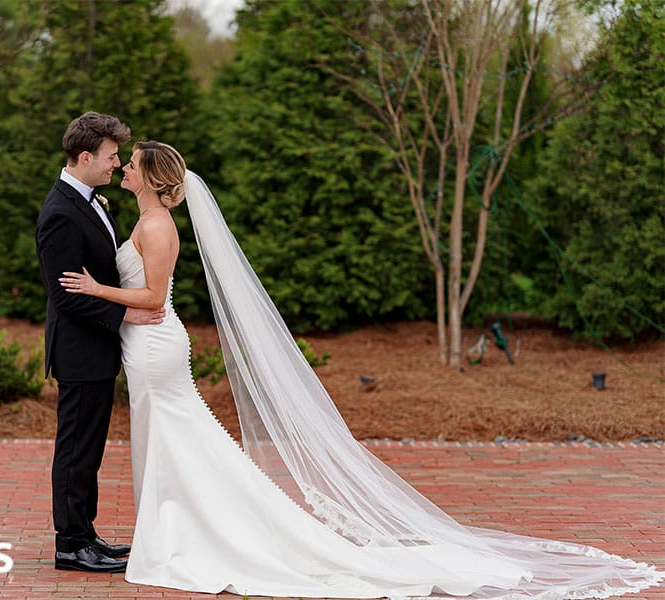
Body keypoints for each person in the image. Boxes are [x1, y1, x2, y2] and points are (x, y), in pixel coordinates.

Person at [60, 142, 662, 597]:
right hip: (142, 349)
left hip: (157, 348)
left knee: (178, 437)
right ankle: (175, 530)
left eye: (132, 163)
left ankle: (195, 535)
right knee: (167, 441)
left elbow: (156, 301)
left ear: (156, 180)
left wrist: (97, 290)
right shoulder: (141, 219)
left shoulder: (159, 227)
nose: (124, 168)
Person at [35, 113, 165, 574]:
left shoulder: (91, 201)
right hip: (79, 350)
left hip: (97, 349)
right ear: (85, 157)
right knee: (75, 449)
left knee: (88, 449)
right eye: (111, 157)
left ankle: (85, 534)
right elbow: (65, 295)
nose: (116, 164)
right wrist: (126, 313)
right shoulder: (59, 213)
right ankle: (70, 544)